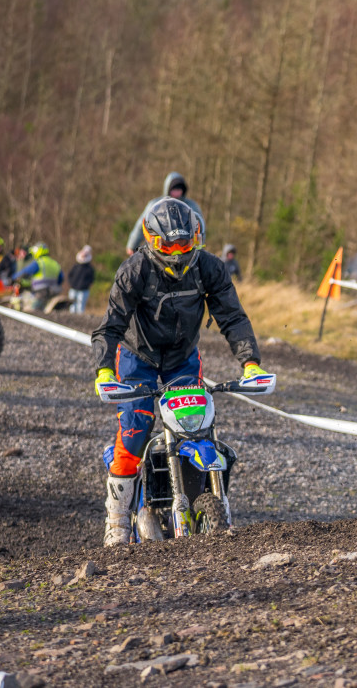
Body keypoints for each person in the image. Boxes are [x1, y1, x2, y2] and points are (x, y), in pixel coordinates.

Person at [92, 197, 267, 547]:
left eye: (183, 243)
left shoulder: (209, 268)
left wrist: (250, 363)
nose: (176, 251)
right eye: (167, 244)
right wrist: (104, 371)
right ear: (151, 239)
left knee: (196, 428)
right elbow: (110, 326)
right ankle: (117, 522)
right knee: (136, 429)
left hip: (181, 358)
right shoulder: (135, 269)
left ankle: (200, 505)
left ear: (196, 238)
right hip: (136, 357)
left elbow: (232, 317)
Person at [124, 172, 204, 257]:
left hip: (185, 250)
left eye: (179, 190)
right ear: (168, 189)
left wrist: (199, 250)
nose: (177, 193)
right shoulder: (155, 205)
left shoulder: (191, 206)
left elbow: (200, 228)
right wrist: (132, 245)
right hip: (159, 250)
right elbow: (141, 225)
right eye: (174, 190)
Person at [14, 242, 63, 311]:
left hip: (40, 293)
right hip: (54, 292)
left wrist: (12, 278)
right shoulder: (55, 263)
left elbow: (24, 272)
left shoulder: (39, 263)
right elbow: (61, 279)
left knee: (30, 310)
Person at [67, 245, 95, 313]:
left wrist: (84, 285)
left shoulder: (89, 268)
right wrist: (72, 283)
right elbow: (70, 275)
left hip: (83, 291)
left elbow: (91, 279)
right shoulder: (76, 266)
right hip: (73, 289)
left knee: (80, 309)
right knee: (72, 307)